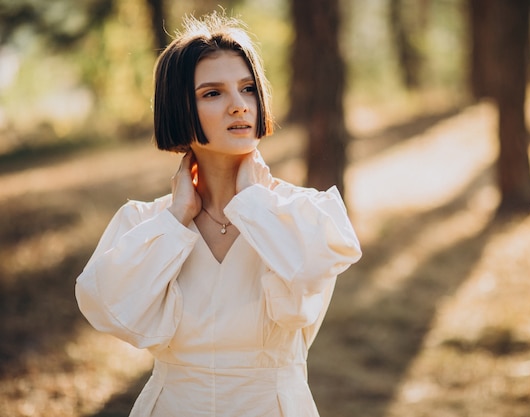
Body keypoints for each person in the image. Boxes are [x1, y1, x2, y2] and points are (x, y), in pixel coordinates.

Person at [75, 11, 361, 417]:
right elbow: (108, 308)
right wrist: (177, 217)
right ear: (179, 108)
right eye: (213, 94)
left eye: (247, 89)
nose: (239, 106)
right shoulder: (146, 224)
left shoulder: (303, 214)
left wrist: (252, 202)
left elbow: (311, 273)